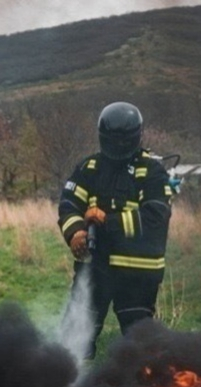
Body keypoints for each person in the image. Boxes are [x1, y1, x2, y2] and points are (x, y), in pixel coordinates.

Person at [58, 101, 173, 359]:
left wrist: (105, 222)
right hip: (96, 269)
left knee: (141, 348)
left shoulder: (152, 171)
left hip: (138, 275)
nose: (118, 146)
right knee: (74, 340)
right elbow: (68, 203)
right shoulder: (90, 168)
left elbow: (155, 217)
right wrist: (75, 232)